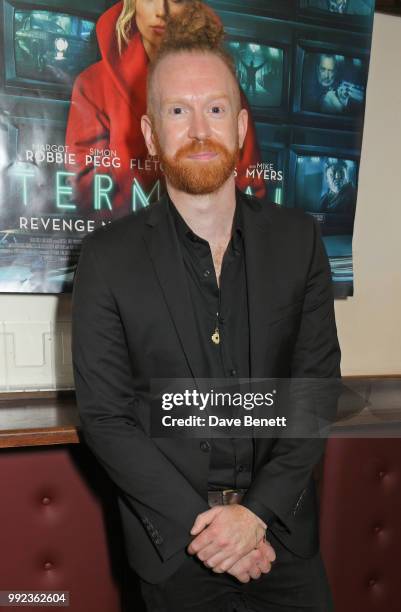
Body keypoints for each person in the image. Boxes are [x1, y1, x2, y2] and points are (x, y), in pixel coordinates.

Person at [71, 10, 341, 612]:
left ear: (242, 125)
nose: (198, 129)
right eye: (177, 110)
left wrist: (256, 517)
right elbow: (106, 419)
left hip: (284, 539)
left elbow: (315, 391)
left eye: (215, 109)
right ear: (149, 132)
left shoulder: (300, 242)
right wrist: (215, 531)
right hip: (175, 548)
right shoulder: (106, 260)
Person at [65, 0, 265, 218]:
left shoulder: (225, 89)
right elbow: (86, 188)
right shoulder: (93, 84)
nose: (161, 11)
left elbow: (250, 184)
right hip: (127, 240)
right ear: (132, 4)